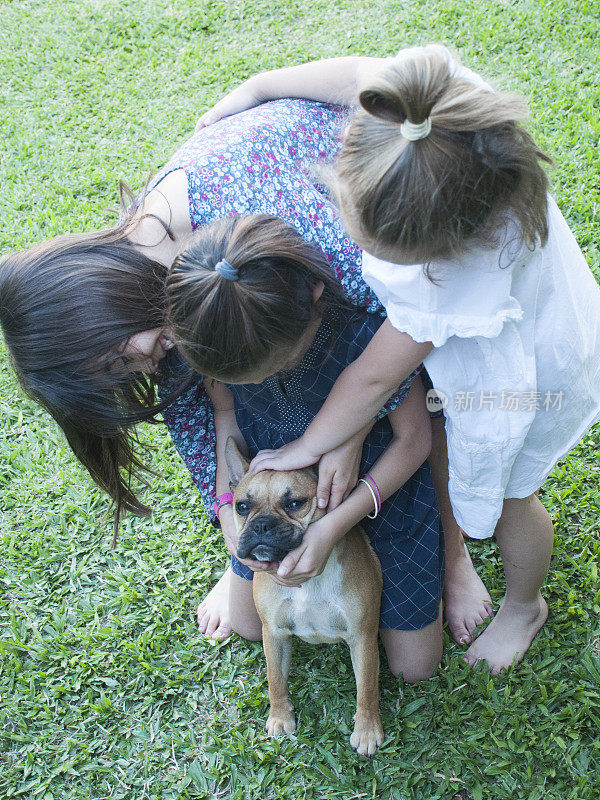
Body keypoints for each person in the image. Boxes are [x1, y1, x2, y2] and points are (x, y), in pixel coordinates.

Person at [0, 96, 489, 646]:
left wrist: (347, 428)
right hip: (339, 325)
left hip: (414, 272)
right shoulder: (150, 327)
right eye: (120, 375)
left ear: (98, 304)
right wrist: (238, 536)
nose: (141, 366)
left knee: (435, 393)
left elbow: (414, 313)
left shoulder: (253, 212)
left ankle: (454, 555)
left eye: (120, 358)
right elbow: (208, 429)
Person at [199, 45, 600, 673]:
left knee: (513, 497)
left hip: (519, 377)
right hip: (486, 344)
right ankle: (459, 556)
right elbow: (365, 75)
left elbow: (375, 376)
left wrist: (307, 447)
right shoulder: (430, 106)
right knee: (442, 436)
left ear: (429, 252)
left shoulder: (457, 270)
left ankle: (524, 605)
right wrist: (258, 85)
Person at [166, 212, 444, 680]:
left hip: (382, 493)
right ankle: (237, 568)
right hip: (280, 503)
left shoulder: (363, 336)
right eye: (242, 377)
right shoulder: (216, 335)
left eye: (265, 366)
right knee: (249, 627)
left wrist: (330, 526)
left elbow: (416, 439)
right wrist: (228, 510)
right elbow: (225, 419)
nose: (255, 382)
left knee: (414, 668)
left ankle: (453, 562)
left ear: (312, 299)